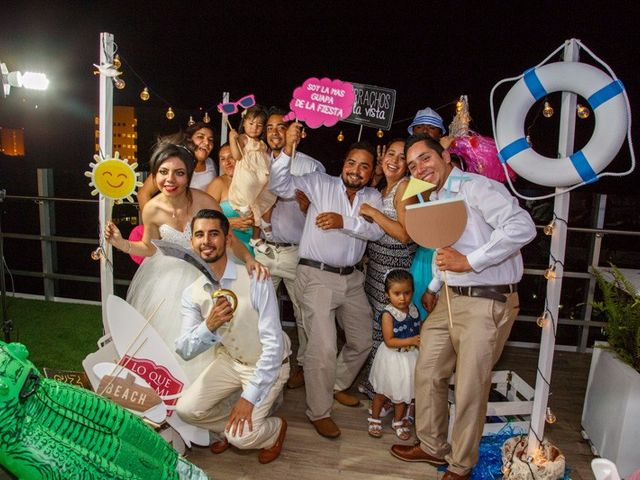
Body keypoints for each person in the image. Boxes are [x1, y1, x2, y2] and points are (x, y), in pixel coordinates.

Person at [390, 135, 536, 480]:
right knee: (427, 370)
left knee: (470, 386)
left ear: (444, 155)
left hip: (488, 299)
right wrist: (435, 285)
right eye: (413, 166)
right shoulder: (436, 198)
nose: (420, 169)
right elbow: (446, 249)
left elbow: (522, 227)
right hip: (450, 300)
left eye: (425, 159)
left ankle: (460, 465)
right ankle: (431, 445)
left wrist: (469, 261)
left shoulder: (477, 187)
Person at [104, 142, 261, 382]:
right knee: (165, 336)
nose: (170, 179)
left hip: (206, 275)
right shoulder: (152, 209)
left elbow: (226, 238)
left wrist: (249, 258)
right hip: (165, 280)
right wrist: (121, 243)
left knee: (211, 331)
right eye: (163, 172)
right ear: (155, 174)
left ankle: (204, 393)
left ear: (188, 176)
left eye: (179, 173)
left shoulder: (205, 202)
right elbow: (149, 247)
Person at [269, 128, 385, 439]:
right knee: (322, 346)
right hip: (316, 276)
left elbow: (375, 232)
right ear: (343, 164)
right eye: (351, 163)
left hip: (352, 279)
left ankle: (333, 383)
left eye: (363, 166)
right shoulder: (320, 183)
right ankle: (319, 411)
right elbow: (279, 184)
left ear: (372, 172)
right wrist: (289, 147)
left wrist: (342, 222)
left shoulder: (373, 197)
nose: (355, 170)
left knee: (362, 340)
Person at [175, 209, 290, 464]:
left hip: (267, 364)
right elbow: (183, 349)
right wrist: (209, 326)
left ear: (227, 240)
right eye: (200, 235)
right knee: (186, 410)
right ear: (192, 242)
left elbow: (273, 346)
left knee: (241, 438)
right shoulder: (191, 293)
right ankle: (230, 426)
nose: (206, 241)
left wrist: (248, 399)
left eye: (214, 234)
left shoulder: (255, 278)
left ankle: (274, 430)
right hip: (230, 361)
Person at [259, 107, 325, 389]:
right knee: (258, 311)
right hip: (262, 249)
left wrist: (308, 207)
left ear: (294, 131)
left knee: (302, 314)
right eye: (270, 127)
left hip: (296, 252)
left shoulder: (311, 166)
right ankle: (261, 363)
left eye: (281, 126)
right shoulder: (257, 163)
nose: (275, 131)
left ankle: (302, 366)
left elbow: (323, 211)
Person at [358, 138, 418, 399]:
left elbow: (405, 235)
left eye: (401, 157)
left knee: (388, 330)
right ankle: (377, 387)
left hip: (392, 273)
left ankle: (386, 392)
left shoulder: (405, 188)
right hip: (376, 270)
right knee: (376, 330)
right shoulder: (385, 187)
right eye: (390, 154)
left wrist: (373, 212)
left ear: (408, 165)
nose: (394, 160)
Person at [367, 269, 420, 441]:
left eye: (407, 292)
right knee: (382, 392)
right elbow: (389, 341)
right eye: (397, 293)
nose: (403, 298)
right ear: (387, 294)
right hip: (392, 358)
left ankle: (398, 421)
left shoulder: (413, 309)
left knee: (403, 393)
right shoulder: (388, 314)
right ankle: (374, 418)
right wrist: (413, 340)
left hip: (409, 358)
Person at [227, 105, 277, 254]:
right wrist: (232, 140)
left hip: (261, 181)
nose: (254, 128)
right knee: (249, 204)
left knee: (268, 201)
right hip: (247, 178)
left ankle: (256, 237)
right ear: (244, 123)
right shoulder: (242, 138)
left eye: (259, 125)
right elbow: (237, 156)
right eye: (251, 123)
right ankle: (254, 221)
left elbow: (268, 161)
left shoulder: (263, 145)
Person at [137, 122, 218, 212]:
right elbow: (143, 194)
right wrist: (152, 220)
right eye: (200, 137)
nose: (207, 142)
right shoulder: (174, 163)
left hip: (201, 222)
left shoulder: (211, 164)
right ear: (189, 140)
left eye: (211, 140)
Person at [206, 143, 254, 254]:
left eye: (231, 157)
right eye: (222, 159)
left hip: (256, 248)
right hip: (229, 248)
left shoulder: (254, 182)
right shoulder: (218, 184)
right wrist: (228, 223)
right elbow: (203, 218)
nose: (227, 163)